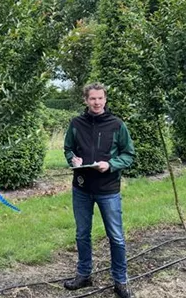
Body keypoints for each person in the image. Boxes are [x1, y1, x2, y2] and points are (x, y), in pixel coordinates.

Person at [63, 82, 135, 298]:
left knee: (116, 236)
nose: (96, 102)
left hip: (108, 189)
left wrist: (111, 165)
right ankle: (84, 275)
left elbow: (129, 154)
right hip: (82, 187)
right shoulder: (76, 123)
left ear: (105, 100)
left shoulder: (116, 125)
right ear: (86, 100)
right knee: (82, 234)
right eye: (92, 98)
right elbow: (68, 148)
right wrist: (72, 159)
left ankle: (120, 281)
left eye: (100, 98)